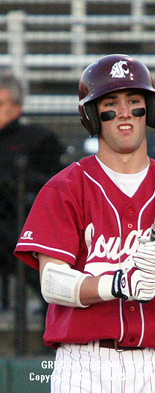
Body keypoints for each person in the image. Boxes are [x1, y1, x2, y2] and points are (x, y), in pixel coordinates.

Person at [14, 54, 155, 393]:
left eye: (134, 101)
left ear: (149, 110)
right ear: (91, 115)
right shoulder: (64, 188)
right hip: (85, 365)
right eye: (111, 102)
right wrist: (116, 284)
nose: (124, 112)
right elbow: (53, 283)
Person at [0, 70, 64, 309]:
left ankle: (52, 311)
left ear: (16, 108)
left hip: (22, 225)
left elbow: (50, 185)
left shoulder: (39, 139)